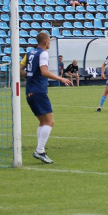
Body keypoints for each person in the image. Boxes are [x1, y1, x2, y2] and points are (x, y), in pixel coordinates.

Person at [25, 32, 73, 164]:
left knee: (43, 122)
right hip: (39, 91)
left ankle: (40, 149)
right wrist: (61, 79)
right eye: (49, 42)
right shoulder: (43, 53)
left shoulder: (29, 53)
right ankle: (40, 151)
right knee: (50, 122)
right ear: (46, 42)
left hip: (29, 91)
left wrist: (29, 78)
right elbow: (44, 72)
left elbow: (20, 68)